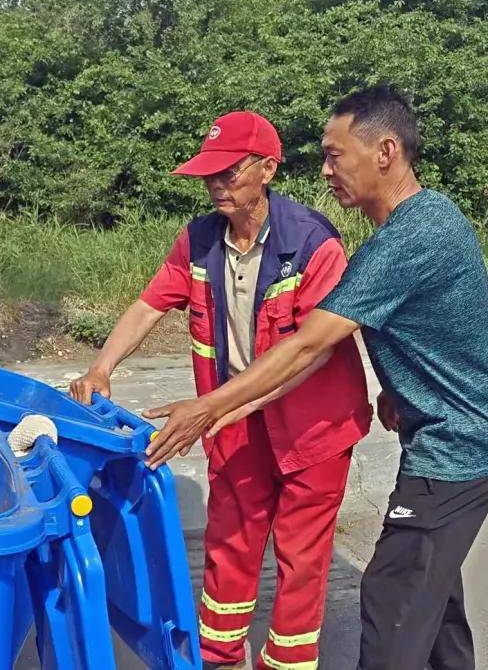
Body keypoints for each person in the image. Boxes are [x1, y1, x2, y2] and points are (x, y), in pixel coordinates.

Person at [146, 84, 488, 670]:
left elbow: (308, 344)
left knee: (391, 599)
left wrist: (207, 407)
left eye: (335, 155)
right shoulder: (415, 226)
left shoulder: (413, 236)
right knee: (435, 611)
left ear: (385, 152)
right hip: (439, 433)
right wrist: (400, 390)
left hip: (456, 450)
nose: (326, 169)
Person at [70, 110, 371, 670]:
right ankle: (218, 657)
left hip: (313, 428)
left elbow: (315, 349)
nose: (215, 186)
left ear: (267, 170)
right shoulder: (200, 239)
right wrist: (102, 366)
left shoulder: (313, 243)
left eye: (229, 173)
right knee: (229, 544)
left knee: (302, 558)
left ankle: (286, 663)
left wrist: (222, 408)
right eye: (209, 175)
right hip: (231, 421)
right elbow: (149, 303)